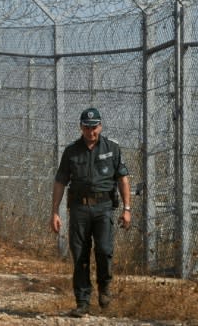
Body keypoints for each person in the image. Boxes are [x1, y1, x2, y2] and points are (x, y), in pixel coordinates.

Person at [51, 107, 132, 317]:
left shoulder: (112, 149)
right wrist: (55, 212)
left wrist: (127, 209)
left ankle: (104, 288)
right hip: (79, 209)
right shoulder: (71, 151)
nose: (91, 132)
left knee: (104, 250)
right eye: (87, 127)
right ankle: (83, 301)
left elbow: (123, 179)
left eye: (94, 127)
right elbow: (60, 181)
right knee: (80, 255)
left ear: (101, 126)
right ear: (81, 127)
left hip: (103, 208)